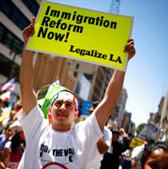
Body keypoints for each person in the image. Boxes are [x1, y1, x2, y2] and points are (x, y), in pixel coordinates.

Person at [17, 17, 135, 168]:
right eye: (58, 103)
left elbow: (109, 101)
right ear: (48, 110)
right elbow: (26, 87)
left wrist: (122, 64)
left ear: (75, 114)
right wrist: (27, 45)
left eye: (68, 105)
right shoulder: (36, 127)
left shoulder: (83, 134)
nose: (62, 107)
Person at [86, 101, 112, 169]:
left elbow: (102, 149)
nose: (91, 116)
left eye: (95, 114)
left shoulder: (107, 132)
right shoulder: (80, 127)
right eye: (91, 112)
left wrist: (96, 127)